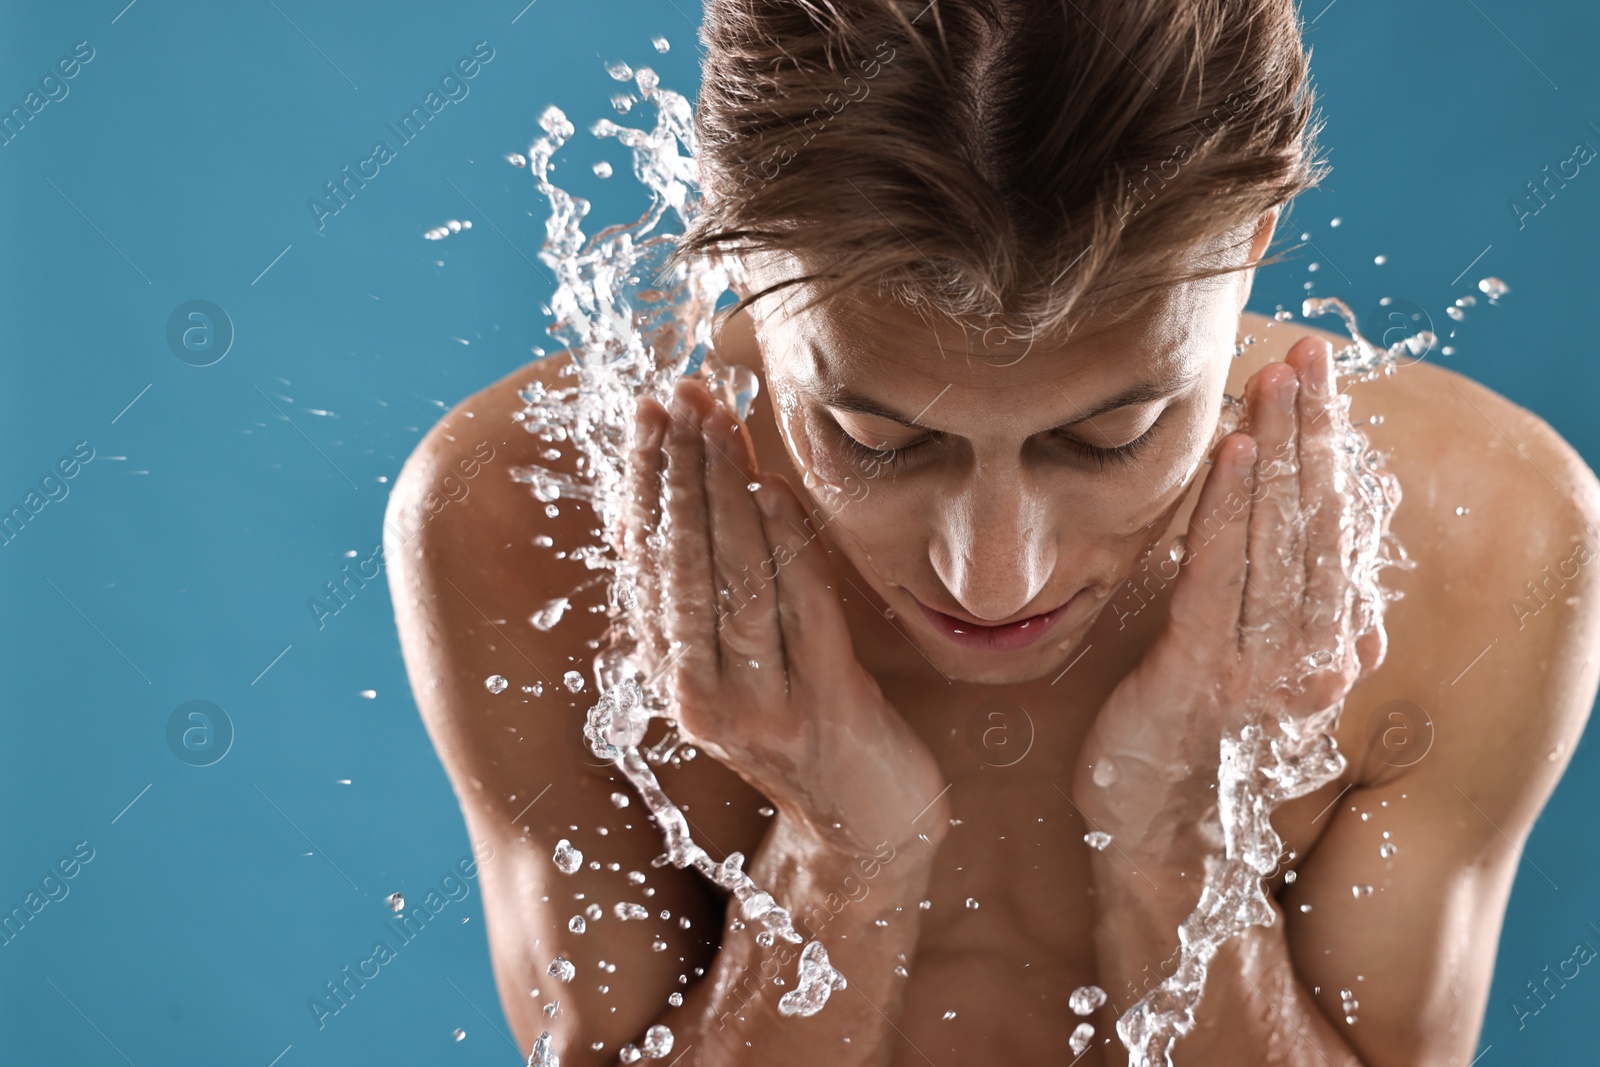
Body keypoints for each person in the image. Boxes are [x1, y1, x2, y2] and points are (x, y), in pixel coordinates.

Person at [386, 1, 1600, 1063]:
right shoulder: (527, 510)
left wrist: (1175, 829)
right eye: (873, 435)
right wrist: (839, 850)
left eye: (1114, 432)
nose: (993, 572)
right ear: (737, 243)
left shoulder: (1485, 540)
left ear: (1253, 238)